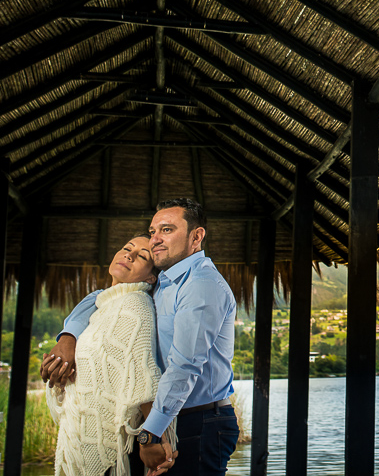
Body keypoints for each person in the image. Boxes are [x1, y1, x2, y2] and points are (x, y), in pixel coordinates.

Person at [43, 200, 238, 476]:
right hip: (164, 421)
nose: (156, 238)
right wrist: (68, 336)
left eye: (167, 229)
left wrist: (151, 434)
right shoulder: (165, 282)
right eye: (153, 230)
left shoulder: (200, 285)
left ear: (196, 237)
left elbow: (184, 367)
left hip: (198, 421)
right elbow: (99, 298)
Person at [44, 236, 176, 476]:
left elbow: (142, 375)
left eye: (142, 256)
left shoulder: (135, 305)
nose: (129, 255)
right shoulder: (103, 304)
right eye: (127, 248)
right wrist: (64, 365)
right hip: (84, 436)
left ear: (150, 277)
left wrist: (154, 439)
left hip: (116, 442)